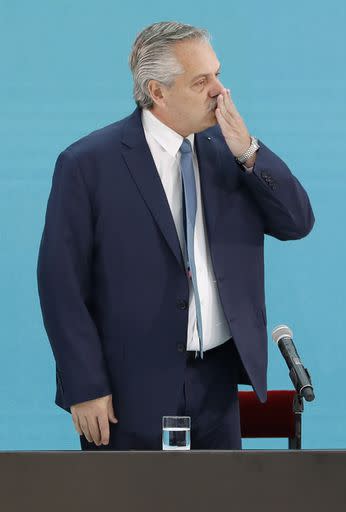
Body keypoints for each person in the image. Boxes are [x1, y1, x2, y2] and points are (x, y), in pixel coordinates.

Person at [37, 21, 314, 450]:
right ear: (157, 92)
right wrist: (84, 385)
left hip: (217, 381)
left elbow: (296, 221)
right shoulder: (88, 164)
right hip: (126, 389)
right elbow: (61, 285)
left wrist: (249, 151)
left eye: (218, 75)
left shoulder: (234, 154)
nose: (220, 91)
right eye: (201, 81)